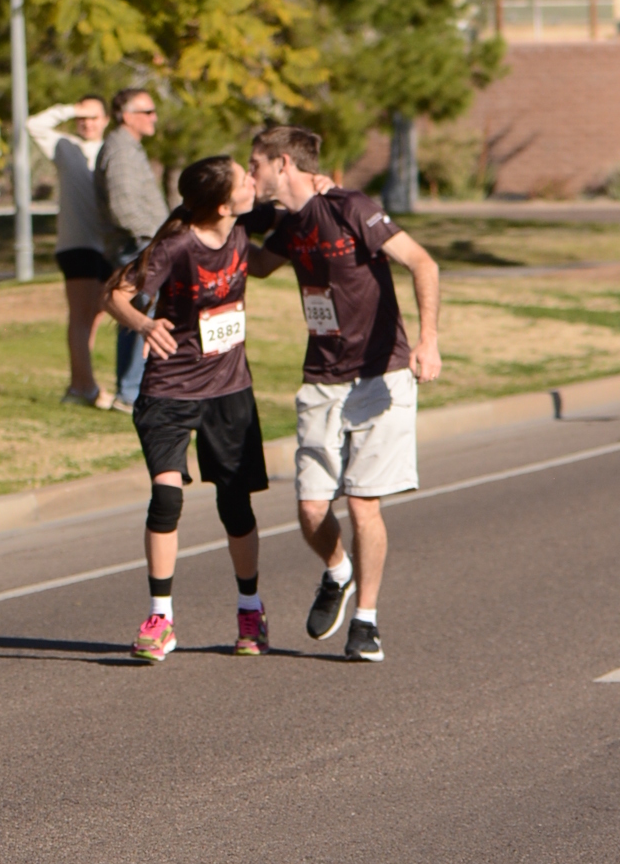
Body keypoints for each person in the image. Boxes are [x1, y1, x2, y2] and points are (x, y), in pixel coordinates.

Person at [244, 124, 442, 663]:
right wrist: (220, 223)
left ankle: (366, 621)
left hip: (381, 374)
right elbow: (258, 266)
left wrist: (427, 339)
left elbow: (422, 261)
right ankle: (338, 571)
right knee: (311, 509)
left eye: (255, 164)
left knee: (361, 502)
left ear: (283, 163)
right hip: (323, 376)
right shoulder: (289, 224)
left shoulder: (351, 207)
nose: (251, 173)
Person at [107, 156, 269, 663]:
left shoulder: (241, 230)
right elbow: (115, 295)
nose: (253, 182)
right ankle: (161, 619)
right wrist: (143, 323)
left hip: (228, 389)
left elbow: (283, 237)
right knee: (166, 500)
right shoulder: (176, 246)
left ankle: (250, 609)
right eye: (245, 180)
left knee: (235, 504)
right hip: (170, 390)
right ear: (222, 205)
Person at [95, 86, 167, 408]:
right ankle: (131, 393)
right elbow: (123, 208)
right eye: (147, 112)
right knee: (140, 315)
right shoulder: (121, 150)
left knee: (134, 316)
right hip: (136, 245)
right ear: (126, 116)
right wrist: (156, 239)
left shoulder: (129, 147)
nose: (154, 118)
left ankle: (130, 392)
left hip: (141, 244)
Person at [49, 96, 112, 404]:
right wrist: (70, 109)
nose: (87, 122)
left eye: (94, 116)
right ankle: (81, 387)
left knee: (96, 314)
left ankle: (84, 382)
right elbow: (33, 126)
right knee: (80, 316)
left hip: (106, 245)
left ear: (106, 119)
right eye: (82, 117)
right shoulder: (64, 147)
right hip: (76, 244)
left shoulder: (111, 150)